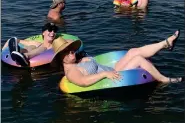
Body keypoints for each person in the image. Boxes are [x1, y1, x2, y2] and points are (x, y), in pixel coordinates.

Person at [53, 32, 182, 85]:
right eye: (66, 51)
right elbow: (84, 81)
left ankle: (165, 43)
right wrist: (104, 74)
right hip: (116, 76)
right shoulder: (71, 72)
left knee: (132, 51)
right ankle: (164, 80)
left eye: (71, 48)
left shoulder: (77, 61)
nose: (71, 51)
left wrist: (83, 60)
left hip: (113, 70)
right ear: (60, 58)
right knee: (138, 59)